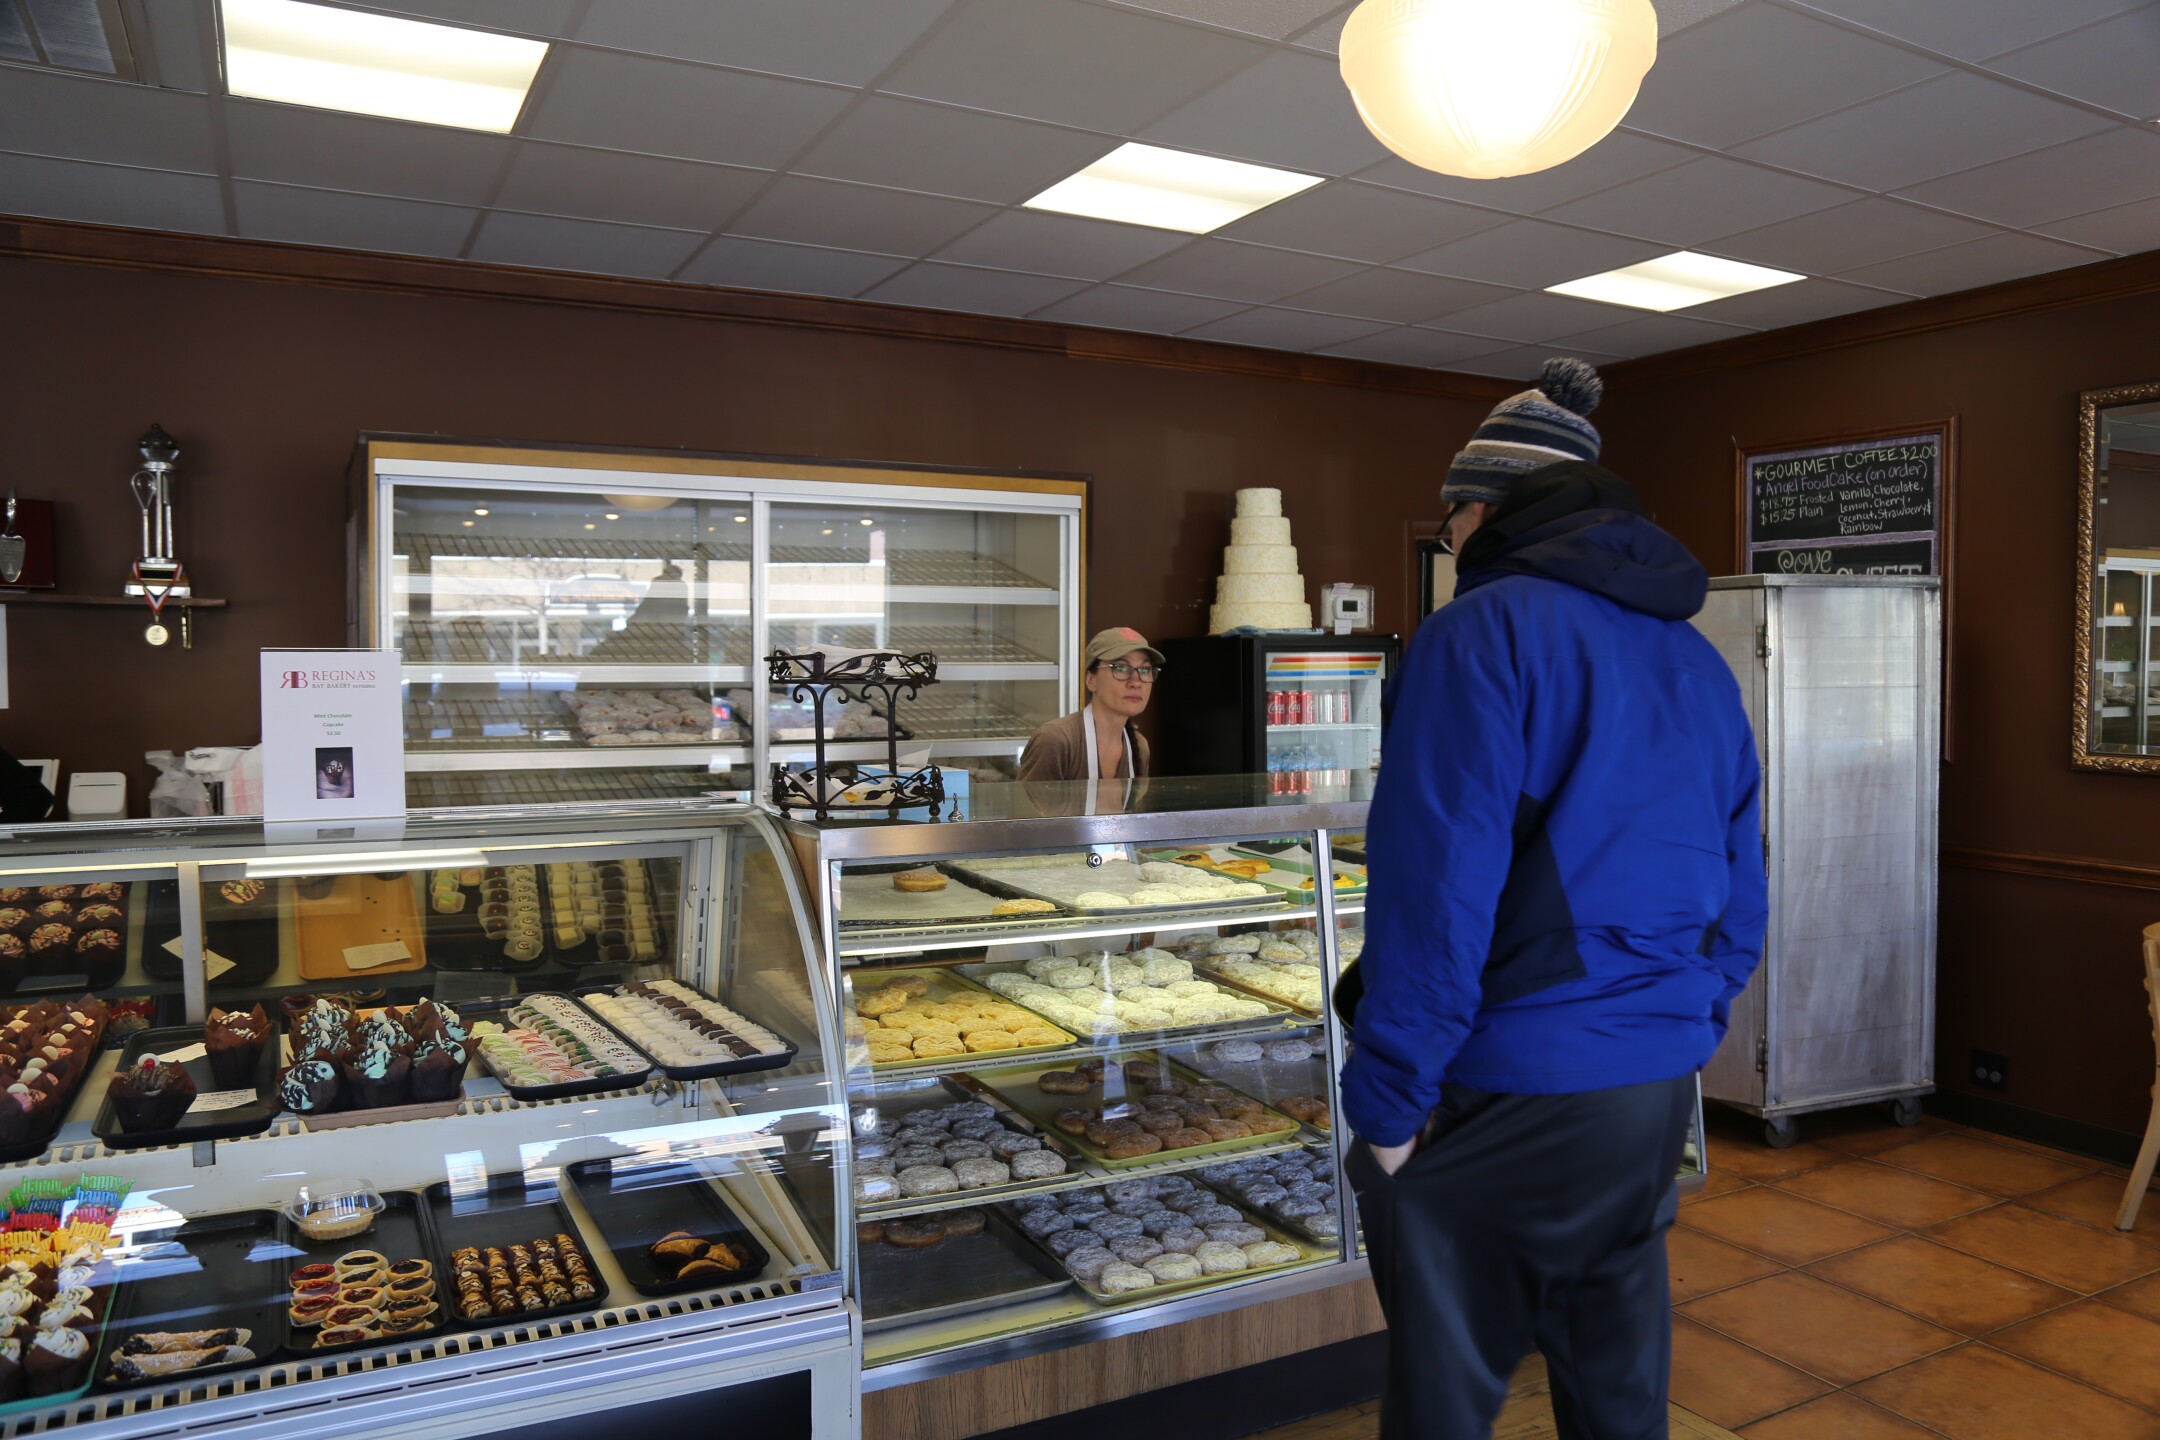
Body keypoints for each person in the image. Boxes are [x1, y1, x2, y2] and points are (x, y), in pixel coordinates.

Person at [1339, 358, 1768, 1440]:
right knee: (1616, 1383)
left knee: (1446, 1394)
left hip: (1517, 1073)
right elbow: (1742, 877)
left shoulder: (1479, 635)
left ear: (1482, 510)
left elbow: (1437, 887)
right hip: (1654, 1076)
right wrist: (1688, 1017)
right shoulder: (1693, 655)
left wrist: (1388, 1109)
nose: (1447, 542)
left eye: (1449, 523)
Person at [1017, 627, 1161, 782]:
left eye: (1145, 670)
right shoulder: (1056, 741)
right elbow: (1026, 806)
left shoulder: (1139, 747)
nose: (1136, 682)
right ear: (1091, 680)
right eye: (1120, 668)